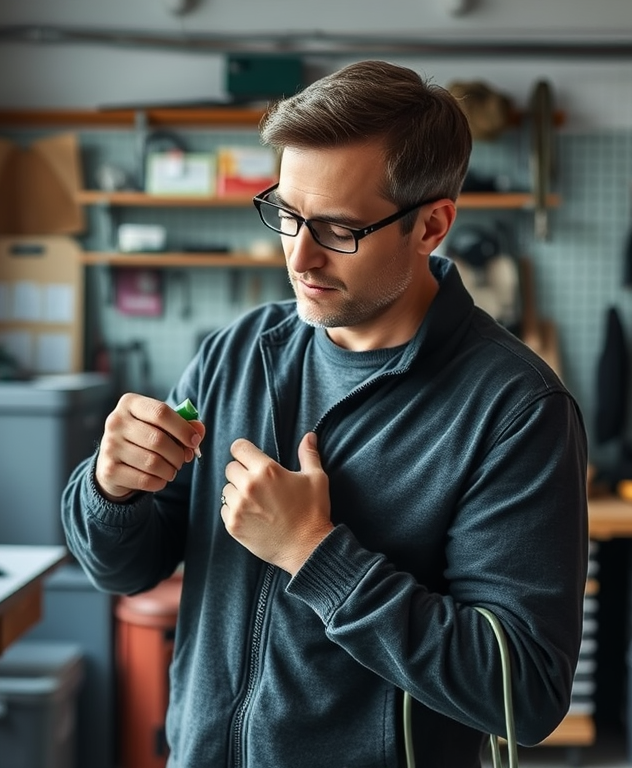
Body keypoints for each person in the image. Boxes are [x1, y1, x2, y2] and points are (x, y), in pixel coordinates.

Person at [62, 59, 588, 768]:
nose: (300, 256)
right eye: (286, 213)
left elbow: (523, 692)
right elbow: (122, 568)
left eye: (339, 228)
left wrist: (312, 553)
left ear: (431, 225)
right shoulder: (239, 353)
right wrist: (110, 488)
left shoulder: (515, 410)